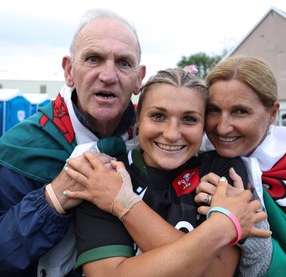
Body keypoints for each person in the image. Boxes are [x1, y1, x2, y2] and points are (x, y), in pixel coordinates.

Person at [0, 8, 146, 276]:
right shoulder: (23, 146)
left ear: (139, 78)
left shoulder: (155, 141)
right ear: (69, 71)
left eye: (123, 63)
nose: (108, 76)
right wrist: (50, 202)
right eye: (94, 59)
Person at [63, 68, 272, 276]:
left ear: (204, 125)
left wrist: (123, 203)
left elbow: (217, 272)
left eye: (189, 119)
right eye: (158, 116)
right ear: (139, 117)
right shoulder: (104, 176)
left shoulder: (223, 171)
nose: (172, 134)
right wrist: (222, 227)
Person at [197, 55, 286, 276]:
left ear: (272, 113)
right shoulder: (196, 154)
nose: (223, 128)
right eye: (214, 110)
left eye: (240, 111)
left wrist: (248, 223)